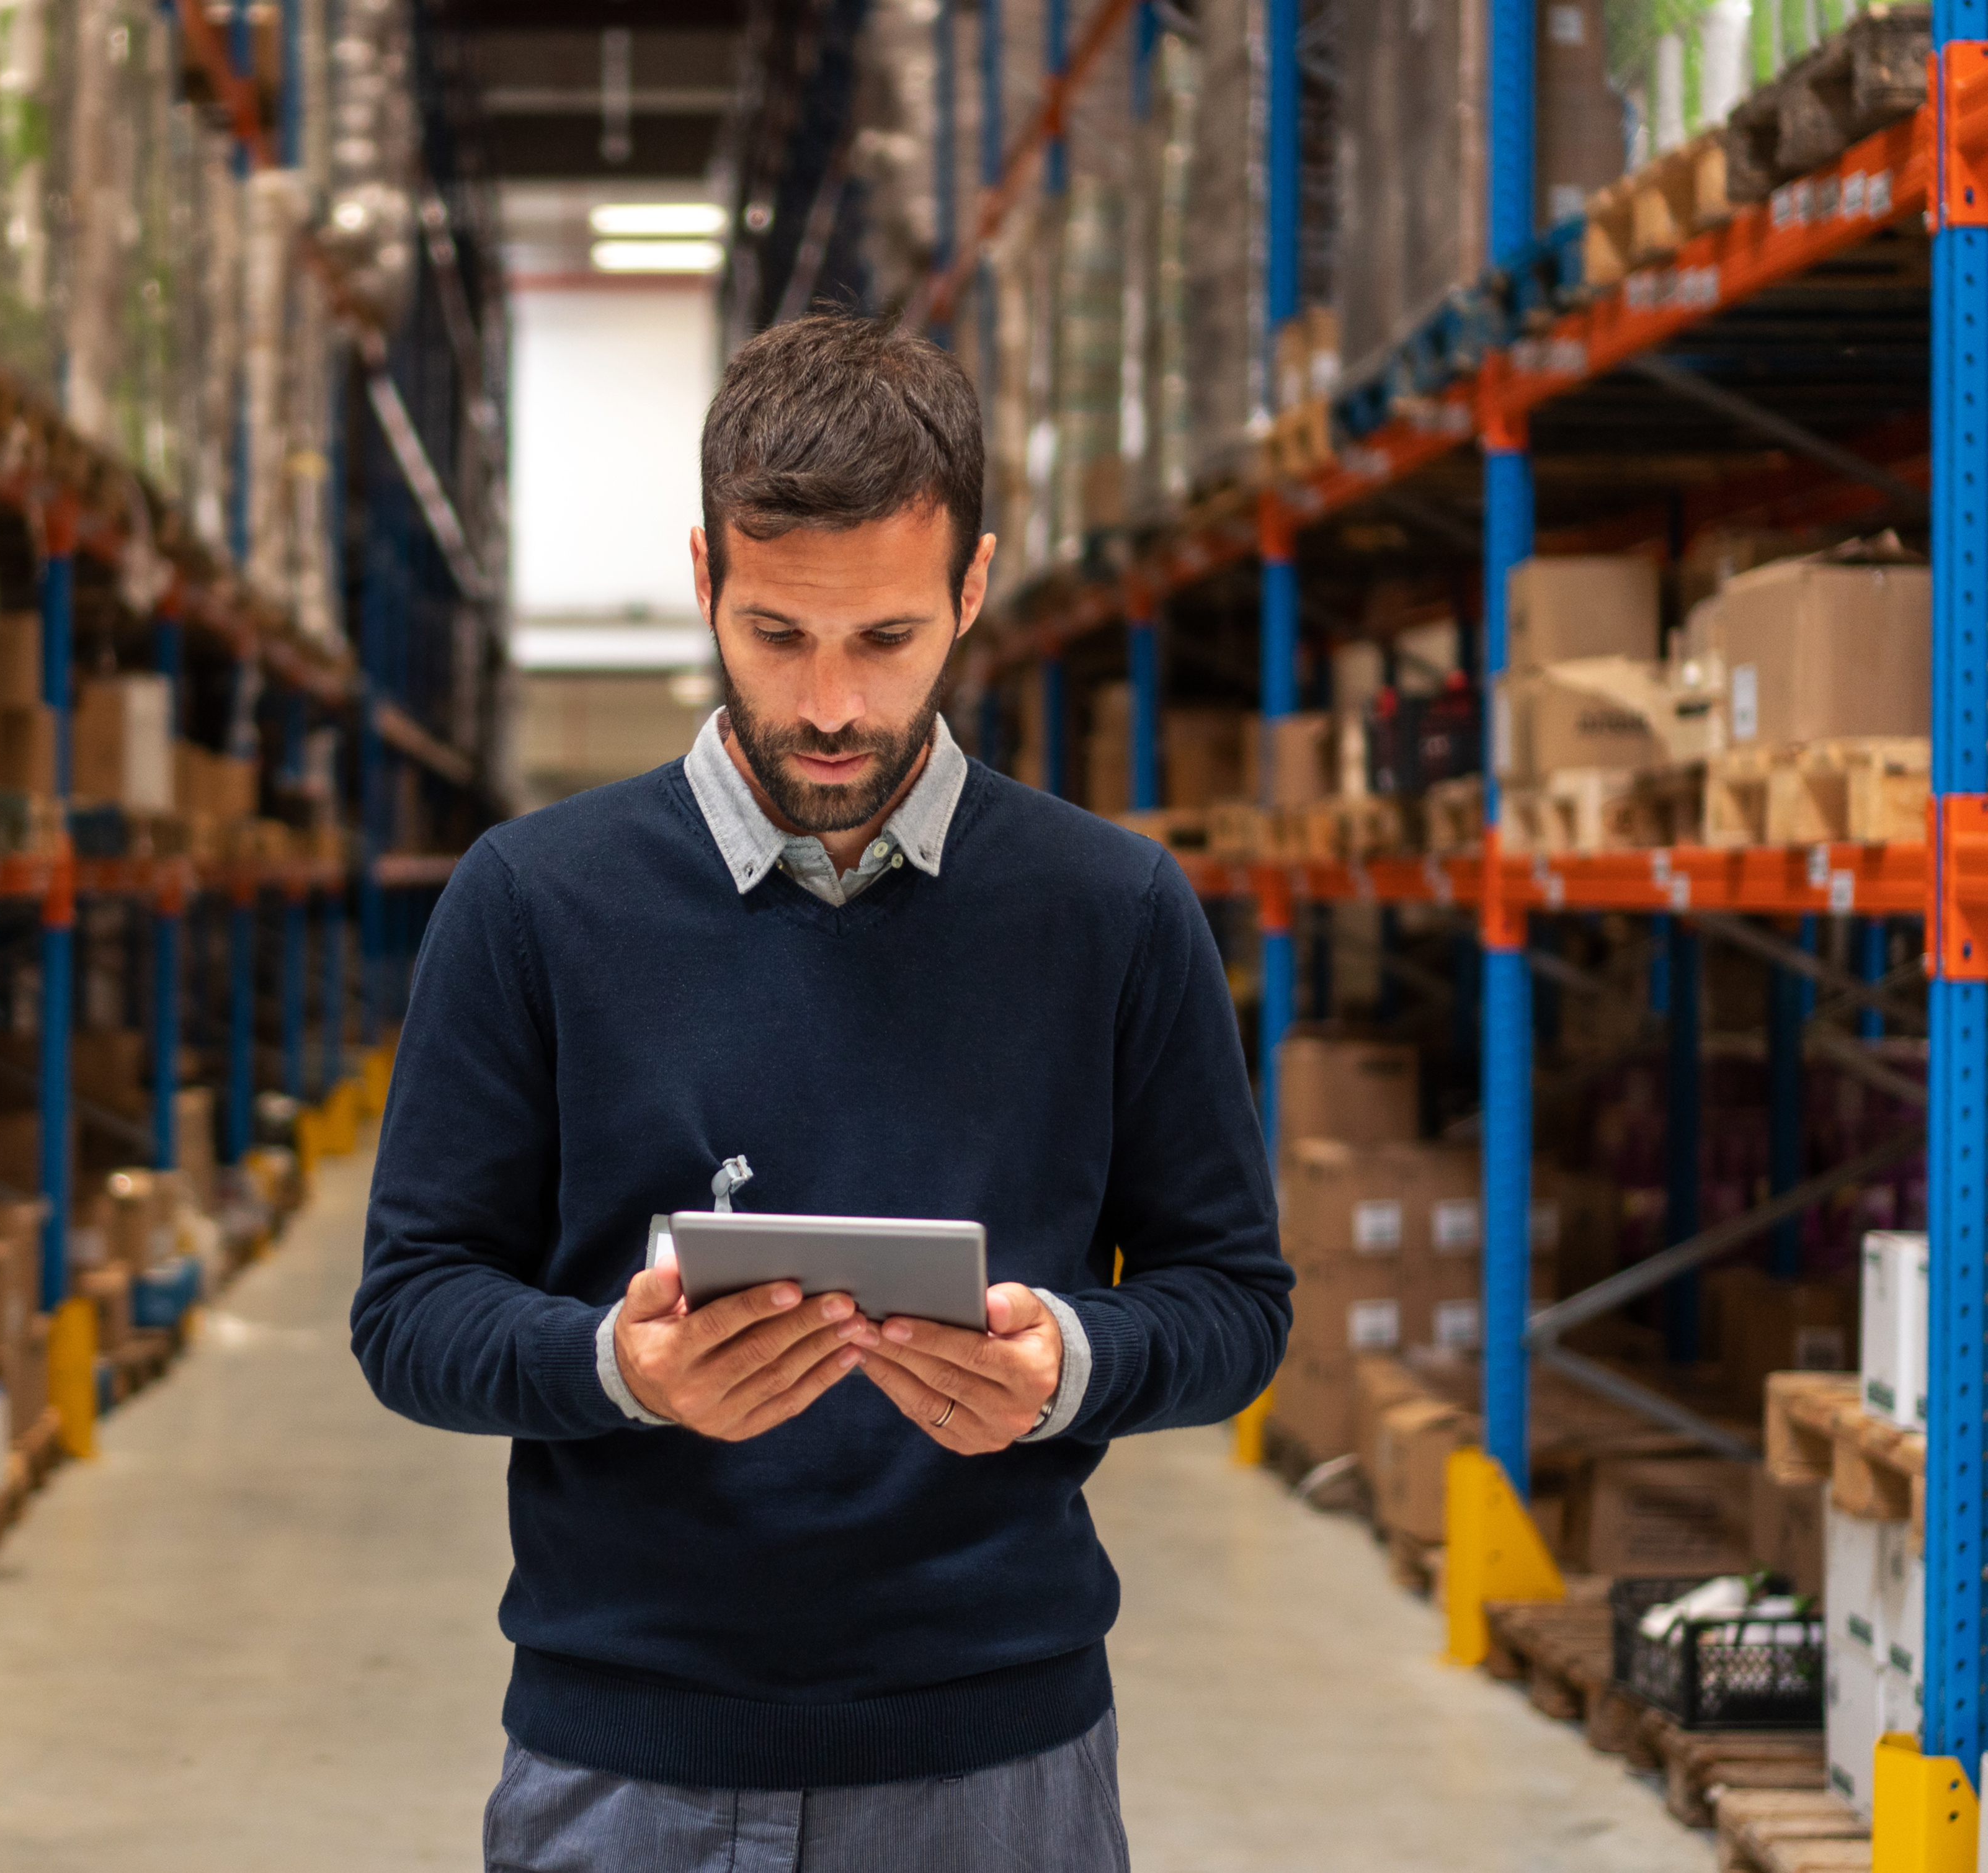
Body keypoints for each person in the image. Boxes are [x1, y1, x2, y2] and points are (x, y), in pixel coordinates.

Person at [351, 312, 1290, 1872]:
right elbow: (411, 1310)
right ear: (706, 577)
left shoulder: (1112, 911)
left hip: (1000, 1765)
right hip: (626, 1759)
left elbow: (1231, 1303)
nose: (832, 708)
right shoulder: (529, 899)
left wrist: (1066, 1362)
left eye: (886, 640)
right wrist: (619, 1367)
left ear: (971, 589)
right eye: (778, 635)